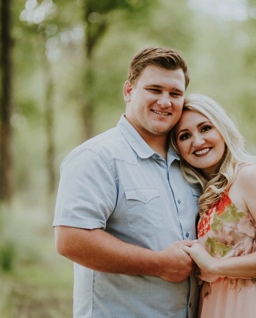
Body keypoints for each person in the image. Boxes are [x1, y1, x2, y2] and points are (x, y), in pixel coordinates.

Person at [53, 47, 200, 317]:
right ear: (129, 91)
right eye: (154, 90)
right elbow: (70, 239)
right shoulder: (96, 157)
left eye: (175, 93)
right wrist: (159, 264)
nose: (165, 102)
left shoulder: (190, 163)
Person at [170, 94, 256, 318]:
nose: (198, 141)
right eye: (185, 136)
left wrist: (215, 266)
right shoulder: (205, 192)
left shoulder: (250, 177)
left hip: (250, 305)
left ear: (222, 129)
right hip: (214, 307)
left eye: (205, 128)